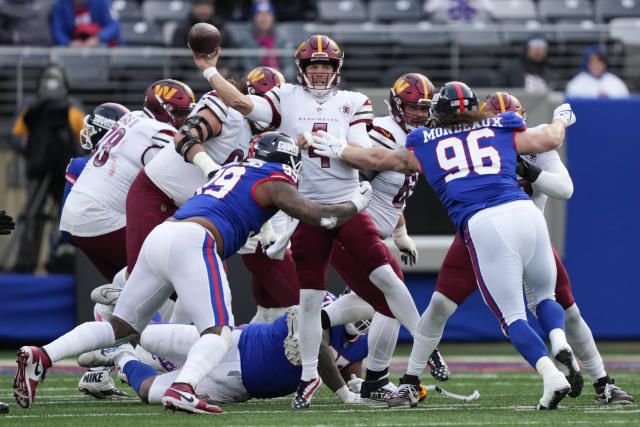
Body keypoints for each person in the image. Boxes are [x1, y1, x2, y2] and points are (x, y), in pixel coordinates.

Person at [13, 131, 372, 414]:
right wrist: (357, 201)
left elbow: (251, 214)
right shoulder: (275, 177)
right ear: (287, 162)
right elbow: (321, 217)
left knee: (121, 327)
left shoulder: (235, 170)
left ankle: (42, 355)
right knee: (219, 333)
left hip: (163, 235)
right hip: (196, 241)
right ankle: (184, 389)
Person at [310, 81, 581, 410]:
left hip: (485, 223)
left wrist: (340, 149)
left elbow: (379, 158)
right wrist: (561, 118)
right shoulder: (499, 126)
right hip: (528, 214)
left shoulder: (425, 142)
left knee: (512, 316)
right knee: (545, 296)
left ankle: (551, 376)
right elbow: (550, 139)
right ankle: (558, 340)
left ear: (436, 113)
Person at [191, 34, 422, 409]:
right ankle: (308, 376)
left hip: (346, 205)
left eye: (325, 66)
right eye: (313, 66)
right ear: (301, 69)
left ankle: (426, 347)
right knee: (309, 300)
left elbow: (363, 155)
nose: (318, 72)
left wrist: (330, 145)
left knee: (385, 278)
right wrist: (210, 70)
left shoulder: (353, 102)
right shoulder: (286, 96)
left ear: (336, 69)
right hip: (305, 210)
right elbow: (241, 102)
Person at [324, 73, 450, 401]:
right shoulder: (383, 133)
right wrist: (359, 232)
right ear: (396, 106)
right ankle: (379, 379)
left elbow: (393, 194)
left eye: (424, 108)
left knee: (378, 301)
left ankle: (314, 322)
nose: (420, 114)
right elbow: (356, 183)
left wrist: (400, 231)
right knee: (391, 301)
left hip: (371, 235)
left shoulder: (418, 136)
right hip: (352, 230)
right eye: (412, 108)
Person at [78, 294, 371, 406]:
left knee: (150, 393)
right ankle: (126, 302)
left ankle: (118, 357)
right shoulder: (322, 305)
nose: (362, 320)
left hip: (236, 388)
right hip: (232, 346)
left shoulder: (361, 346)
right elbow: (317, 350)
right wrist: (344, 394)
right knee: (149, 338)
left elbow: (352, 376)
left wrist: (361, 387)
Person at [59, 80, 194, 282]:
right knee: (161, 274)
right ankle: (111, 303)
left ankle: (112, 303)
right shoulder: (157, 131)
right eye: (181, 113)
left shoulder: (134, 119)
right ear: (163, 110)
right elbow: (184, 176)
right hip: (101, 217)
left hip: (79, 218)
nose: (186, 119)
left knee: (133, 289)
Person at [9, 65, 85, 272]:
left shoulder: (72, 109)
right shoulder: (32, 109)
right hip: (42, 171)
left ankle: (64, 259)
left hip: (63, 174)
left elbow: (86, 140)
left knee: (65, 217)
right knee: (31, 215)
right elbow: (16, 137)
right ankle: (25, 261)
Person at [239, 1, 295, 81]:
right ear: (253, 18)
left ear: (273, 18)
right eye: (260, 15)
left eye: (268, 15)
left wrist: (280, 76)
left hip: (282, 82)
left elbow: (289, 66)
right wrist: (265, 77)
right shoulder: (247, 39)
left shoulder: (282, 38)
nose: (264, 19)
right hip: (256, 84)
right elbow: (247, 68)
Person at [496, 36, 561, 92]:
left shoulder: (551, 72)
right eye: (535, 48)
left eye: (541, 49)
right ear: (527, 49)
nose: (538, 52)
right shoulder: (511, 69)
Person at [565, 45, 630, 98]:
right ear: (587, 63)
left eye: (600, 62)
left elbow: (625, 104)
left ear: (605, 64)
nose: (596, 65)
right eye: (593, 62)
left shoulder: (616, 83)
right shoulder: (576, 84)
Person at [50, 0, 123, 47]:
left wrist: (98, 38)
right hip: (73, 48)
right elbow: (58, 30)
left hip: (101, 44)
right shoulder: (59, 5)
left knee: (101, 47)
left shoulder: (102, 2)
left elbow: (114, 25)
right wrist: (69, 43)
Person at [423, 0, 494, 23]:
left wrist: (474, 4)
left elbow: (489, 9)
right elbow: (429, 10)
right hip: (447, 27)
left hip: (471, 26)